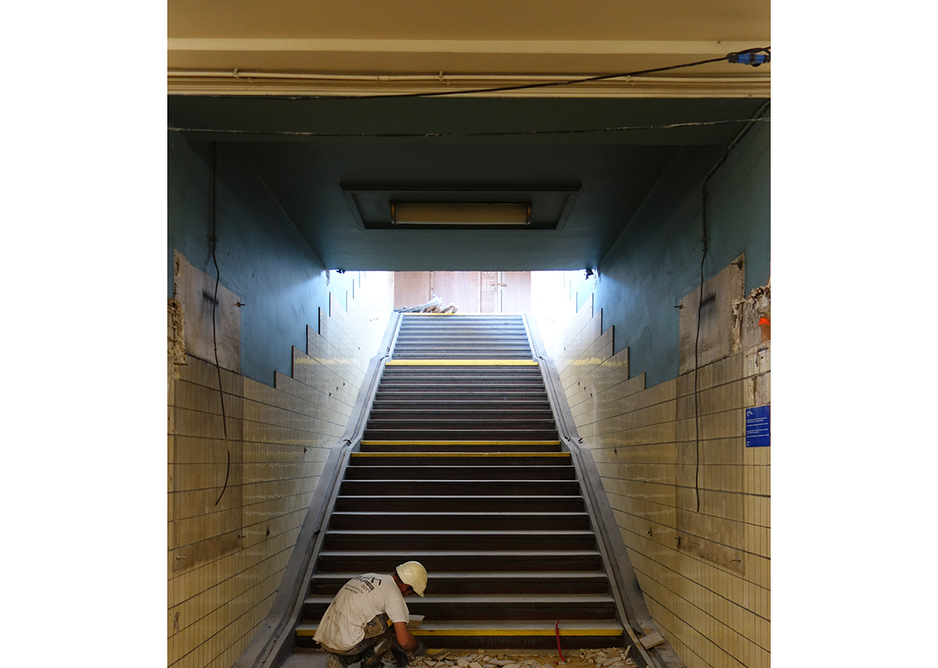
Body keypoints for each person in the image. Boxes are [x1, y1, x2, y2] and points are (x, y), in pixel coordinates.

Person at [315, 561, 429, 668]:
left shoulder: (370, 577)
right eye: (409, 593)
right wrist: (418, 648)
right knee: (391, 621)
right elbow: (404, 641)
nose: (406, 596)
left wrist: (395, 649)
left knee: (382, 621)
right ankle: (369, 665)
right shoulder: (394, 594)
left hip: (326, 636)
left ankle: (339, 660)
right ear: (405, 586)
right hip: (346, 642)